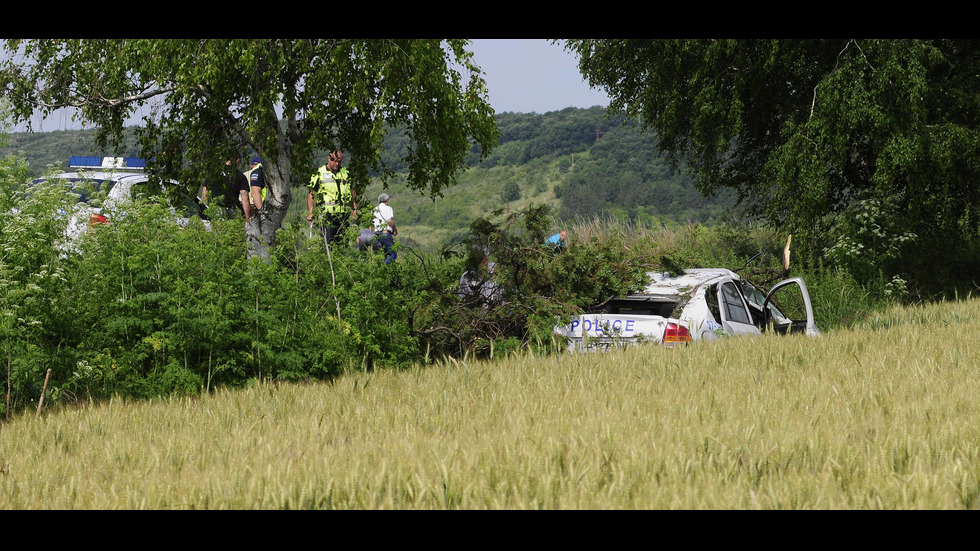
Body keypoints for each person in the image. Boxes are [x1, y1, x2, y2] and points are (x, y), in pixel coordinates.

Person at [308, 150, 356, 245]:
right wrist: (311, 213)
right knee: (328, 244)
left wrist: (354, 208)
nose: (337, 164)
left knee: (342, 244)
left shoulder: (345, 173)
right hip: (327, 215)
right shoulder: (319, 173)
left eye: (339, 161)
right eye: (334, 161)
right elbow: (311, 194)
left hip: (343, 214)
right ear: (329, 158)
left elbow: (352, 191)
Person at [371, 193, 397, 264]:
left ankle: (380, 271)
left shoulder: (374, 210)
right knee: (393, 254)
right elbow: (389, 221)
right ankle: (385, 268)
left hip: (375, 235)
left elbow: (372, 223)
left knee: (382, 256)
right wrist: (395, 230)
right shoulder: (388, 208)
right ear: (387, 201)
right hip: (385, 234)